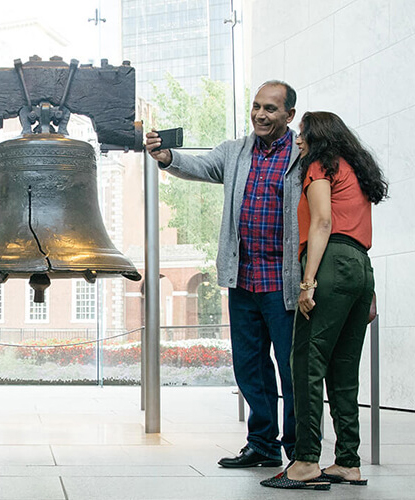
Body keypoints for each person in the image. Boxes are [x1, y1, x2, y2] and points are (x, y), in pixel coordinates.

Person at [145, 81, 302, 467]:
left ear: (289, 115)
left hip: (285, 282)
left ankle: (300, 452)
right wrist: (167, 156)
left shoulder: (304, 154)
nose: (260, 115)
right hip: (244, 279)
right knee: (250, 367)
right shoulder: (235, 152)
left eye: (270, 109)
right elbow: (200, 166)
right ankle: (262, 444)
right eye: (255, 107)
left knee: (292, 369)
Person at [261, 111, 388, 490]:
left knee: (306, 361)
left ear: (318, 137)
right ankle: (348, 461)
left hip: (329, 263)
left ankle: (305, 462)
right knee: (344, 371)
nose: (298, 141)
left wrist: (307, 283)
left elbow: (322, 223)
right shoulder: (355, 170)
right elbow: (356, 231)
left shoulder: (320, 165)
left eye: (302, 134)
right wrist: (366, 288)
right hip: (359, 268)